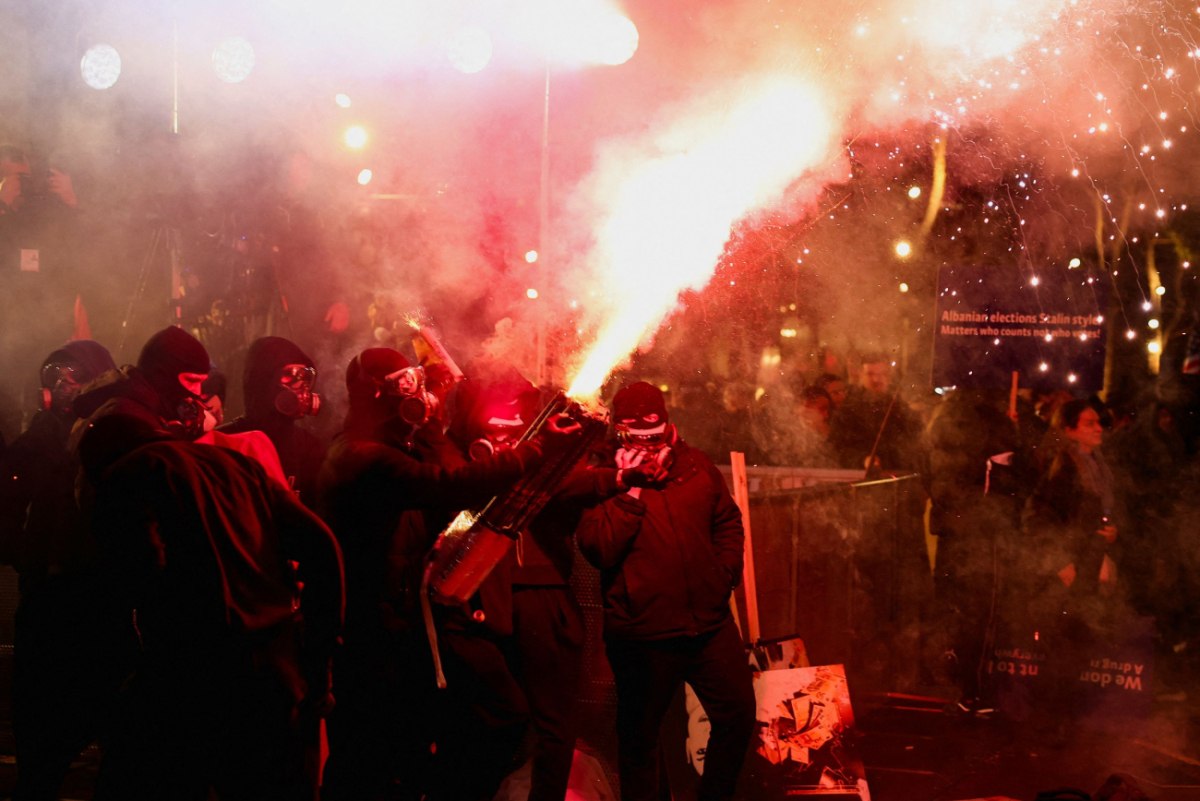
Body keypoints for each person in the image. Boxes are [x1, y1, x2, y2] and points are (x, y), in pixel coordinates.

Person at [316, 348, 569, 801]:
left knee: (413, 747)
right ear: (375, 393)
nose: (419, 398)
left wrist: (432, 431)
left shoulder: (389, 450)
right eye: (407, 387)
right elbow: (451, 486)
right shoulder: (361, 456)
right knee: (368, 758)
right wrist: (535, 450)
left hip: (397, 628)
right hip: (368, 634)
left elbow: (453, 489)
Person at [79, 412, 344, 801]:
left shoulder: (127, 475)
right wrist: (320, 660)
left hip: (192, 679)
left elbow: (140, 574)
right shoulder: (238, 465)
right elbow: (322, 546)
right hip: (276, 672)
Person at [445, 362, 624, 801]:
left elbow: (572, 485)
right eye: (495, 430)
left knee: (554, 723)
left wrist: (619, 477)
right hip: (478, 595)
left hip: (543, 592)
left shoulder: (549, 454)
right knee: (486, 717)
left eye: (514, 428)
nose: (506, 439)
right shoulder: (457, 462)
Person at [577, 381, 756, 801]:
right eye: (636, 438)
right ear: (619, 432)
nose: (647, 447)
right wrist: (630, 488)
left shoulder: (695, 464)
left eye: (654, 437)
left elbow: (727, 521)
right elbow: (600, 547)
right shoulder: (599, 476)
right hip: (643, 633)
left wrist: (723, 574)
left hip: (708, 625)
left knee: (738, 716)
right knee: (640, 739)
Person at [0, 340, 131, 801]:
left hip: (105, 608)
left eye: (75, 374)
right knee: (41, 754)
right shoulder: (36, 441)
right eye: (55, 375)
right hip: (49, 609)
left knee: (122, 753)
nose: (63, 385)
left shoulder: (119, 434)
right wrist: (28, 555)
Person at [219, 336, 326, 504]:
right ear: (263, 379)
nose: (301, 387)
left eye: (305, 378)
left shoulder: (310, 448)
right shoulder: (225, 443)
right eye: (291, 375)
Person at [829, 353, 920, 472]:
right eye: (870, 374)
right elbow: (838, 449)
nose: (876, 380)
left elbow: (914, 442)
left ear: (889, 377)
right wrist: (863, 460)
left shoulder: (899, 408)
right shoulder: (848, 409)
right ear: (861, 375)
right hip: (861, 475)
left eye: (882, 374)